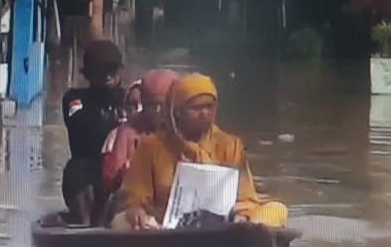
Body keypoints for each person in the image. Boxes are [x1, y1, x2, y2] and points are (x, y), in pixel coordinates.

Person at [111, 72, 288, 231]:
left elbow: (246, 197)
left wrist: (241, 218)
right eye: (196, 108)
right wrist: (137, 212)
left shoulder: (230, 145)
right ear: (178, 112)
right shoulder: (151, 146)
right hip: (163, 230)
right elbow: (135, 195)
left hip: (227, 230)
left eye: (209, 107)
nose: (205, 113)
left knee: (277, 209)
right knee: (121, 222)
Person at [98, 69, 178, 224]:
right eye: (151, 105)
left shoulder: (186, 131)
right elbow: (111, 180)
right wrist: (126, 173)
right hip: (133, 206)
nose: (157, 111)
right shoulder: (127, 132)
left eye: (162, 105)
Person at [61, 40, 126, 226]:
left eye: (111, 70)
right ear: (89, 74)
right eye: (100, 70)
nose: (107, 76)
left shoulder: (129, 98)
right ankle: (84, 225)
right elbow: (84, 126)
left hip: (120, 173)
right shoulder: (74, 99)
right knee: (77, 168)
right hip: (86, 174)